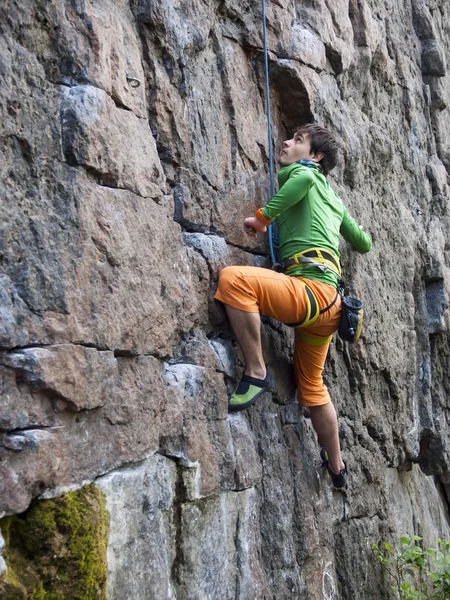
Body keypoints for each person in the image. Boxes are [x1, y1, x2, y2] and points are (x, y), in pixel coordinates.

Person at [214, 124, 372, 488]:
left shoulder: (305, 174)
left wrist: (262, 218)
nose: (286, 143)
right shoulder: (334, 199)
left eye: (298, 140)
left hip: (309, 292)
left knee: (233, 281)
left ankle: (256, 371)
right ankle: (337, 467)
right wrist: (362, 233)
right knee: (313, 386)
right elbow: (362, 243)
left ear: (315, 157)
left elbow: (298, 182)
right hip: (330, 307)